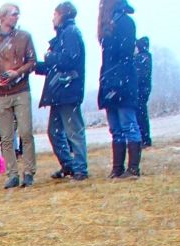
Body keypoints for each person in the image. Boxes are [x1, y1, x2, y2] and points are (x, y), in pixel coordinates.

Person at [0, 3, 38, 188]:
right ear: (2, 17)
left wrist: (17, 72)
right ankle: (12, 174)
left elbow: (32, 62)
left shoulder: (25, 37)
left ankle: (29, 172)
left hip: (21, 91)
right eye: (14, 14)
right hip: (0, 95)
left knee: (26, 133)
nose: (17, 17)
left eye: (18, 14)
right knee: (5, 137)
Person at [35, 2, 88, 180]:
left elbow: (69, 60)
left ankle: (80, 169)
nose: (53, 18)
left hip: (68, 92)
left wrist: (49, 57)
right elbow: (57, 66)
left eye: (55, 14)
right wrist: (36, 66)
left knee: (74, 130)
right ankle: (69, 165)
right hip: (59, 93)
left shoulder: (71, 33)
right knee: (54, 132)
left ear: (63, 15)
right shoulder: (65, 34)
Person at [98, 0, 142, 178]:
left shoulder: (124, 23)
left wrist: (116, 83)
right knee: (116, 128)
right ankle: (117, 168)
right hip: (111, 81)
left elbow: (124, 56)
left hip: (122, 82)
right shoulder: (111, 25)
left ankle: (132, 168)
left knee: (128, 125)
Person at [135, 36, 153, 147]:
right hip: (144, 89)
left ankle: (144, 139)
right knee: (142, 114)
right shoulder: (146, 57)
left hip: (140, 90)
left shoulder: (141, 58)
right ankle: (145, 138)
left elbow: (139, 75)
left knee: (141, 115)